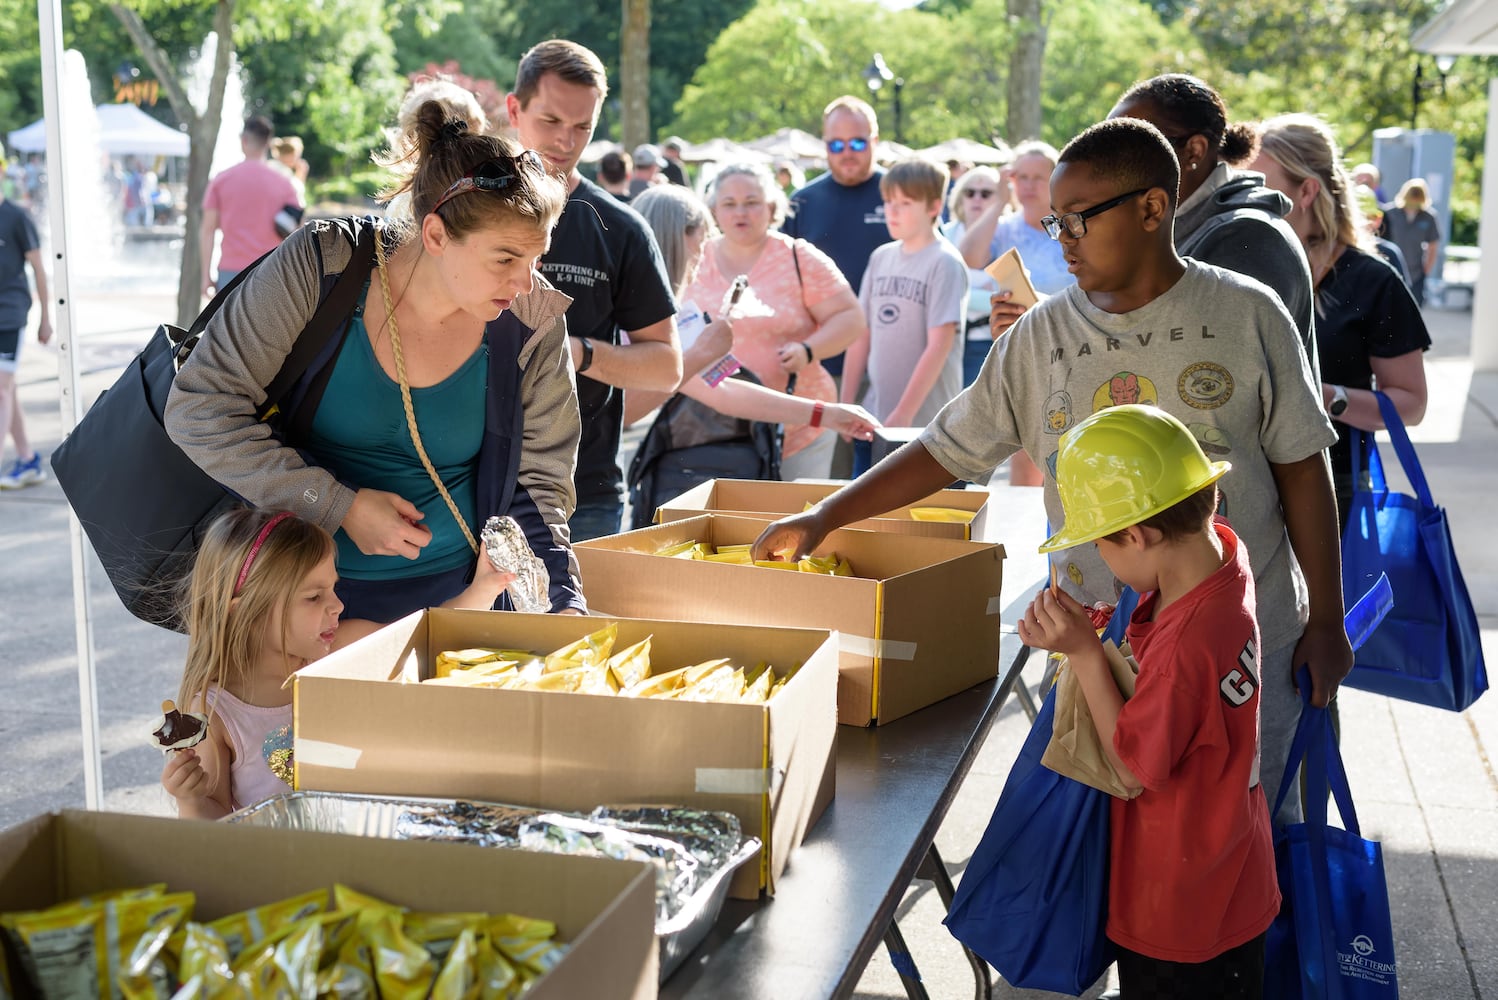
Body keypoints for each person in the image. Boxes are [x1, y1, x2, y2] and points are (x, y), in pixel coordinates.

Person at [752, 117, 1352, 824]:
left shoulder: (1248, 313)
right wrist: (828, 514)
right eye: (1053, 222)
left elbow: (1304, 470)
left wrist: (1328, 621)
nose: (1059, 241)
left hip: (1242, 651)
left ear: (1152, 209)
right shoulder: (1040, 338)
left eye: (1078, 222)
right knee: (1108, 875)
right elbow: (947, 448)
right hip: (1094, 651)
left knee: (1239, 846)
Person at [167, 102, 586, 627]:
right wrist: (338, 506)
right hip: (287, 605)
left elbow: (542, 484)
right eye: (505, 258)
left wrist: (563, 605)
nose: (526, 283)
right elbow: (199, 408)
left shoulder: (533, 318)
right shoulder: (321, 265)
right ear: (435, 235)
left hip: (455, 601)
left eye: (536, 260)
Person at [1020, 404, 1278, 998]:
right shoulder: (1226, 564)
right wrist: (1114, 628)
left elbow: (1138, 765)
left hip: (1179, 902)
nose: (1099, 559)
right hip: (1232, 866)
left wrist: (1086, 655)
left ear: (1136, 535)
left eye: (1100, 545)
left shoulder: (1187, 647)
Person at [504, 40, 681, 540]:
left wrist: (573, 352)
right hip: (464, 480)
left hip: (583, 493)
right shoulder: (463, 210)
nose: (565, 141)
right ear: (514, 109)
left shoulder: (619, 227)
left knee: (586, 623)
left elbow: (667, 365)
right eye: (551, 121)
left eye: (582, 127)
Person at [623, 185, 878, 524]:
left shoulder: (678, 313)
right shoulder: (626, 307)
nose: (700, 262)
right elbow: (622, 410)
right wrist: (700, 355)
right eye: (699, 248)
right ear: (674, 241)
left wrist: (823, 413)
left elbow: (724, 388)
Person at [1250, 114, 1430, 529]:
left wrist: (1321, 395)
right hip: (1245, 484)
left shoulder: (1372, 279)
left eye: (1260, 185)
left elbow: (1411, 404)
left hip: (1335, 488)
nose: (1246, 198)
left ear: (1307, 191)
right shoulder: (1244, 268)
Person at [1097, 74, 1318, 374]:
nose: (1112, 167)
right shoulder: (1176, 228)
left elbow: (1197, 363)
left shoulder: (1249, 237)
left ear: (1194, 151)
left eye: (1131, 148)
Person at [687, 161, 866, 480]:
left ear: (771, 206)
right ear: (714, 211)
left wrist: (809, 349)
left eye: (752, 202)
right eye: (729, 204)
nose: (741, 212)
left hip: (801, 429)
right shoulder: (695, 259)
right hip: (718, 431)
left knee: (794, 522)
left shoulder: (799, 256)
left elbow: (851, 318)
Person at [958, 140, 1075, 487]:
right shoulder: (1004, 227)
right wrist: (997, 199)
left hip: (1067, 344)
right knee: (1027, 447)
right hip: (1019, 348)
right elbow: (967, 258)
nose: (1027, 185)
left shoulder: (1066, 228)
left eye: (1038, 177)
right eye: (1020, 176)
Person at [844, 158, 968, 476]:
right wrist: (845, 404)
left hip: (925, 428)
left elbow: (939, 344)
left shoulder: (945, 262)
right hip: (874, 418)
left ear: (934, 206)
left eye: (905, 203)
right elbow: (861, 334)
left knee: (919, 522)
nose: (892, 211)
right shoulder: (881, 257)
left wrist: (904, 413)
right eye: (888, 202)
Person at [781, 97, 888, 406]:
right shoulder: (802, 203)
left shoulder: (900, 196)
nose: (847, 153)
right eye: (836, 145)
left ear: (875, 140)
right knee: (831, 455)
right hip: (820, 361)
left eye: (857, 143)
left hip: (893, 360)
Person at [200, 115, 303, 296]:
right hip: (271, 271)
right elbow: (299, 232)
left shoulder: (221, 180)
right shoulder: (285, 183)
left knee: (229, 325)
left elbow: (208, 230)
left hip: (230, 273)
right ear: (268, 143)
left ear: (244, 140)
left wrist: (205, 277)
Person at [0, 192, 50, 490]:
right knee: (7, 390)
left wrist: (46, 317)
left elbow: (39, 270)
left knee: (1, 390)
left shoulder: (17, 217)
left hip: (9, 315)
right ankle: (27, 459)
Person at [941, 165, 1005, 387]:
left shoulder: (1007, 234)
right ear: (960, 198)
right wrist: (986, 295)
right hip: (945, 341)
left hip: (989, 343)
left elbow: (1012, 298)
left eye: (986, 193)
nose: (977, 199)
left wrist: (961, 289)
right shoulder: (944, 235)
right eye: (970, 192)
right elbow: (941, 295)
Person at [1382, 177, 1442, 307]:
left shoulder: (1428, 217)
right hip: (1390, 268)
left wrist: (1427, 268)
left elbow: (1433, 245)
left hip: (1415, 272)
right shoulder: (1390, 213)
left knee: (1413, 307)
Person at [271, 136, 310, 204]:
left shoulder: (282, 169)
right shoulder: (279, 169)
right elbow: (294, 192)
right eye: (296, 155)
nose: (297, 159)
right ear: (289, 154)